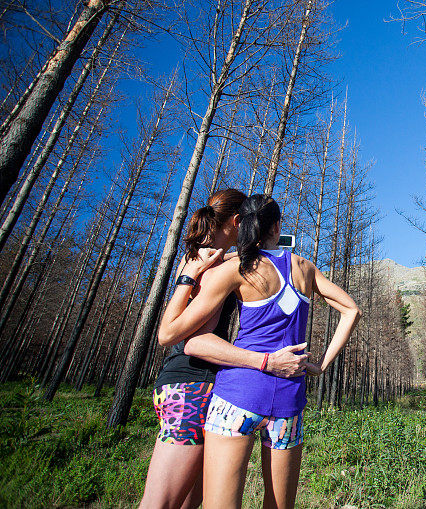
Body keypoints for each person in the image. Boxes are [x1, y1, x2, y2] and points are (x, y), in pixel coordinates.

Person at [158, 194, 361, 509]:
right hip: (288, 400)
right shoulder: (304, 267)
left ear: (242, 224)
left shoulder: (236, 268)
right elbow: (351, 310)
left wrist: (192, 275)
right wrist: (320, 364)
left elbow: (181, 333)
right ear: (277, 226)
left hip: (235, 396)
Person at [140, 189, 308, 509]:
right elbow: (183, 337)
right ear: (236, 221)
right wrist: (264, 361)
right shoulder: (206, 263)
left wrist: (256, 246)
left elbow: (285, 244)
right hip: (191, 385)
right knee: (161, 503)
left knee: (192, 501)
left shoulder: (217, 257)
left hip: (199, 384)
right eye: (248, 223)